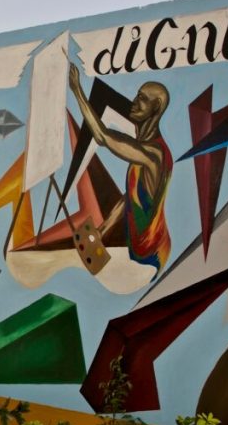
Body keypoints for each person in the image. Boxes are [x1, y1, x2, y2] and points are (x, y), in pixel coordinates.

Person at [68, 63, 172, 273]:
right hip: (138, 249)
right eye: (137, 96)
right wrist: (102, 230)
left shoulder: (154, 154)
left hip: (149, 256)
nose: (134, 102)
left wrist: (77, 90)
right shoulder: (144, 150)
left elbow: (103, 136)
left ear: (157, 107)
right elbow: (130, 199)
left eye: (142, 99)